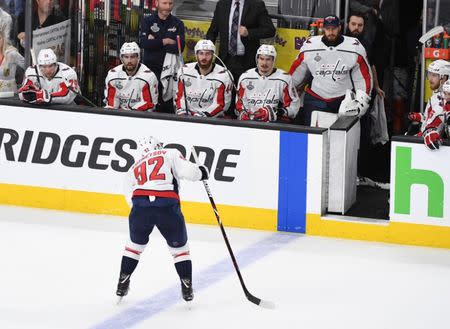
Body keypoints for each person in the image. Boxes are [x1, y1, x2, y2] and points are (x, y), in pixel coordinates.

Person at [116, 136, 209, 302]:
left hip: (140, 207)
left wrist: (144, 209)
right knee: (180, 250)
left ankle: (122, 283)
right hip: (167, 205)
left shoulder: (133, 167)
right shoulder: (170, 152)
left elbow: (129, 197)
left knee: (134, 247)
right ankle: (186, 287)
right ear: (155, 146)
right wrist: (202, 172)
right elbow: (189, 172)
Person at [289, 15, 373, 127]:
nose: (330, 32)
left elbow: (364, 77)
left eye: (333, 28)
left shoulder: (354, 46)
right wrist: (287, 91)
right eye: (328, 29)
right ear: (323, 29)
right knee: (314, 138)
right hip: (316, 98)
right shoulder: (310, 45)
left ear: (340, 27)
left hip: (343, 100)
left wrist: (361, 100)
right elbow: (296, 72)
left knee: (341, 139)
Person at [206, 0, 276, 117]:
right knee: (223, 98)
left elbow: (270, 30)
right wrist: (207, 48)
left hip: (246, 62)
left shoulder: (256, 4)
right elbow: (213, 30)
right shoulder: (222, 4)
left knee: (243, 100)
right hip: (224, 60)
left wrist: (249, 32)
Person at [140, 0, 185, 113]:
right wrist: (166, 41)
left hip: (170, 72)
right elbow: (144, 44)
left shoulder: (178, 23)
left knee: (168, 107)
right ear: (157, 3)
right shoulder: (147, 21)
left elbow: (179, 48)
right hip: (151, 70)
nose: (168, 7)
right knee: (150, 105)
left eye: (170, 3)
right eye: (164, 3)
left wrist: (155, 41)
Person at [235, 44, 299, 122]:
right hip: (251, 122)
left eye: (268, 59)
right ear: (257, 59)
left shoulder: (284, 78)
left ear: (273, 60)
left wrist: (276, 112)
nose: (264, 63)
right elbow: (240, 104)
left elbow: (293, 106)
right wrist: (243, 113)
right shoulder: (245, 77)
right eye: (261, 59)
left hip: (275, 123)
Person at [174, 39, 232, 117]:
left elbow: (220, 104)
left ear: (213, 55)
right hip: (187, 117)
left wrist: (203, 116)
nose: (204, 57)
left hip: (210, 120)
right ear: (196, 55)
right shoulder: (184, 71)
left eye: (208, 54)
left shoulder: (224, 75)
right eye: (201, 53)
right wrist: (182, 111)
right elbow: (180, 97)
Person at [408, 60, 450, 150]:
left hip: (432, 146)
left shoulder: (446, 100)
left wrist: (430, 132)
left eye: (434, 75)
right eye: (429, 74)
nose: (430, 79)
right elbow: (428, 118)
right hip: (423, 139)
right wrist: (418, 116)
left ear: (445, 78)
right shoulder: (435, 96)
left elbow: (438, 122)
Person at [104, 42, 158, 111]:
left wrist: (130, 114)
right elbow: (111, 102)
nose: (129, 61)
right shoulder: (113, 74)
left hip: (141, 116)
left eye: (132, 57)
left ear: (138, 57)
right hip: (120, 115)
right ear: (121, 58)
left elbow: (148, 103)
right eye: (126, 57)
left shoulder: (148, 76)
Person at [0, 8, 25, 95]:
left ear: (3, 38)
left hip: (10, 97)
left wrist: (25, 85)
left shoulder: (12, 53)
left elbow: (29, 67)